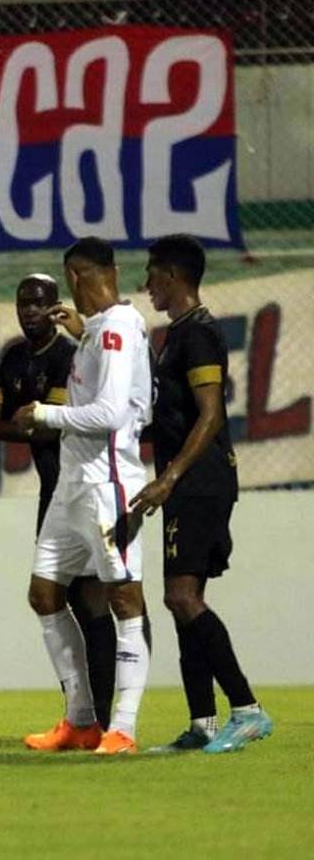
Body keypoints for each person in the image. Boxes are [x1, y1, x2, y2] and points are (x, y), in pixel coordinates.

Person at [133, 234, 272, 754]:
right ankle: (203, 723)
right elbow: (174, 415)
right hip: (189, 482)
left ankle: (248, 710)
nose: (147, 284)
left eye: (152, 274)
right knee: (182, 599)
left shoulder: (199, 334)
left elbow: (211, 414)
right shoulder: (178, 334)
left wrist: (169, 477)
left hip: (200, 482)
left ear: (172, 275)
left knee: (182, 596)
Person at [14, 237, 152, 755]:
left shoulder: (116, 329)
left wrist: (43, 413)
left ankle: (124, 728)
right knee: (44, 594)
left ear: (74, 276)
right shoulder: (100, 329)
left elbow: (111, 414)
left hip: (107, 484)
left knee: (124, 599)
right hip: (72, 486)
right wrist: (82, 330)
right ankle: (80, 721)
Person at [0, 274, 117, 731]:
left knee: (92, 602)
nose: (28, 310)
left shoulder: (68, 355)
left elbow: (50, 428)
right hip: (53, 493)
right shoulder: (13, 358)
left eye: (38, 302)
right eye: (22, 302)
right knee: (48, 596)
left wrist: (27, 421)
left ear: (55, 306)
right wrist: (25, 423)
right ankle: (82, 717)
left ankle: (105, 720)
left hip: (85, 487)